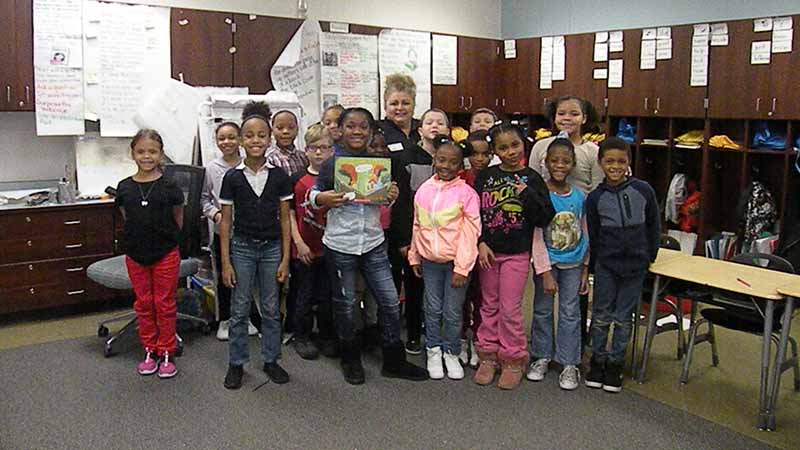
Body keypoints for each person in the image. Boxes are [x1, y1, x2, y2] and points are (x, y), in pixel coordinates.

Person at [311, 107, 428, 385]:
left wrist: (391, 195)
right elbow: (313, 196)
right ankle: (350, 358)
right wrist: (322, 199)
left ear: (371, 131)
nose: (357, 132)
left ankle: (393, 359)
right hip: (341, 244)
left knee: (389, 300)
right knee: (347, 304)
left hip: (374, 242)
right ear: (339, 129)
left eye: (363, 127)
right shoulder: (331, 164)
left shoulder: (379, 162)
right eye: (350, 126)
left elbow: (380, 202)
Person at [473, 123, 555, 390]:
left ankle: (513, 358)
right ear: (495, 151)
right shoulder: (486, 177)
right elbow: (475, 215)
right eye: (503, 147)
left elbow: (545, 216)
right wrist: (481, 242)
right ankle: (487, 354)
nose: (510, 152)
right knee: (489, 305)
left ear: (524, 144)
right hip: (488, 252)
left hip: (517, 254)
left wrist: (526, 194)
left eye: (515, 145)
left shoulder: (532, 178)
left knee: (510, 308)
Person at [219, 102, 293, 390]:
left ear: (269, 139)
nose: (255, 141)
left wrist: (286, 259)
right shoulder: (232, 177)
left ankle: (271, 359)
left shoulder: (279, 176)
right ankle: (236, 363)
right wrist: (226, 262)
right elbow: (226, 222)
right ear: (240, 140)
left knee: (272, 308)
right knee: (239, 308)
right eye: (248, 135)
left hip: (272, 248)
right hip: (242, 248)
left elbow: (286, 220)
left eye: (261, 135)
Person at [528, 95, 604, 355]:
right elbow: (533, 184)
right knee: (543, 303)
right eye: (562, 113)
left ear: (584, 118)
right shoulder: (541, 147)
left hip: (577, 223)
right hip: (547, 227)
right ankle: (542, 353)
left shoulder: (592, 151)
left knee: (573, 304)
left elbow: (597, 189)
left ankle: (571, 353)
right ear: (554, 116)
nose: (567, 118)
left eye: (574, 113)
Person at [584, 137, 660, 393]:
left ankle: (616, 362)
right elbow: (593, 233)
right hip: (607, 264)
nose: (615, 166)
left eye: (621, 161)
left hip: (636, 265)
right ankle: (598, 360)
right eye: (609, 161)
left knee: (624, 317)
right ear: (600, 163)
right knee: (602, 315)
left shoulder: (643, 189)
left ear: (629, 162)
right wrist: (594, 264)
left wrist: (650, 254)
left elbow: (653, 224)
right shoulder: (595, 198)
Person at [409, 136, 480, 380]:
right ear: (434, 160)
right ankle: (433, 349)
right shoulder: (424, 191)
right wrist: (414, 255)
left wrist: (463, 267)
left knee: (452, 310)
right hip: (430, 262)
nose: (446, 166)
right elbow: (417, 225)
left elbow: (471, 233)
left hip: (455, 264)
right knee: (432, 307)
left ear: (461, 165)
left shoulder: (467, 194)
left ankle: (451, 351)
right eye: (441, 160)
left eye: (452, 162)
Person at [115, 129, 184, 379]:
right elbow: (127, 216)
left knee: (164, 303)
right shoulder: (125, 187)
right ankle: (149, 349)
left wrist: (168, 239)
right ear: (133, 154)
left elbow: (178, 217)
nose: (147, 156)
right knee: (144, 304)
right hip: (135, 254)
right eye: (141, 151)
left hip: (165, 252)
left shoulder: (170, 186)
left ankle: (167, 350)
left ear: (161, 154)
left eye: (152, 151)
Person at [527, 138, 590, 391]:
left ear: (573, 164)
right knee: (542, 309)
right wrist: (544, 272)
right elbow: (537, 235)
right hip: (547, 264)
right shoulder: (540, 194)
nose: (560, 165)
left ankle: (569, 362)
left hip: (574, 264)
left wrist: (586, 266)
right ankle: (541, 356)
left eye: (565, 161)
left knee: (570, 312)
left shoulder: (579, 197)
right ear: (546, 163)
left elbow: (585, 231)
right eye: (555, 160)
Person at [376, 74, 428, 355]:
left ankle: (414, 330)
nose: (399, 108)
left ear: (413, 104)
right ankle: (389, 331)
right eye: (393, 103)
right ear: (385, 104)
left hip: (423, 214)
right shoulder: (378, 131)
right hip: (390, 214)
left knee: (417, 275)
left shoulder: (424, 130)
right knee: (391, 275)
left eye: (405, 102)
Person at [200, 121, 260, 341]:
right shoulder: (211, 168)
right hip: (222, 232)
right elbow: (204, 199)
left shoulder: (250, 165)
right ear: (216, 141)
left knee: (248, 277)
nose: (227, 142)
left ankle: (246, 318)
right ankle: (225, 320)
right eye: (222, 138)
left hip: (248, 232)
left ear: (241, 140)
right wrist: (216, 214)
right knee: (226, 277)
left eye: (232, 137)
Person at [288, 124, 336, 360]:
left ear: (332, 151)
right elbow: (288, 214)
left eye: (325, 148)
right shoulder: (297, 178)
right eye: (314, 148)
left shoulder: (337, 177)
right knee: (304, 294)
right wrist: (299, 243)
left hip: (329, 246)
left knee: (328, 296)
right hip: (304, 248)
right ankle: (302, 336)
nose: (319, 153)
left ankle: (326, 335)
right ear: (305, 150)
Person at [458, 130, 491, 367]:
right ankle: (460, 338)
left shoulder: (494, 178)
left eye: (485, 154)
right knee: (460, 297)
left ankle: (480, 340)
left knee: (482, 296)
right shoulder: (459, 178)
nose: (479, 159)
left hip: (486, 247)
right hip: (460, 247)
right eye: (474, 154)